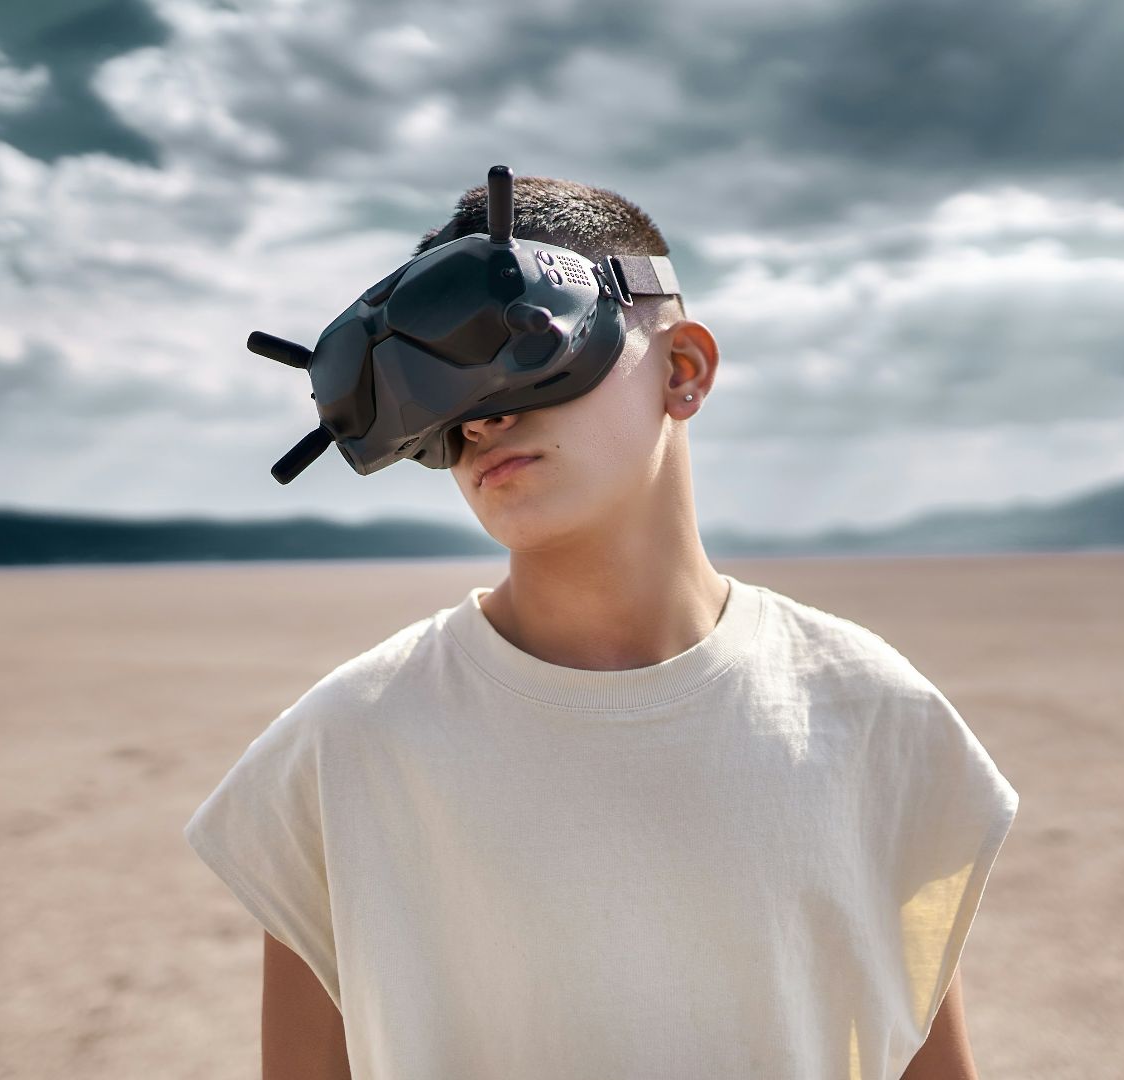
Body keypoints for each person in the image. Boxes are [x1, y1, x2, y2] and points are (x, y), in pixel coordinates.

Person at [184, 175, 1021, 1080]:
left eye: (523, 341)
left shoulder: (876, 714)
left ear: (684, 367)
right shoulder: (344, 746)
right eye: (437, 406)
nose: (484, 420)